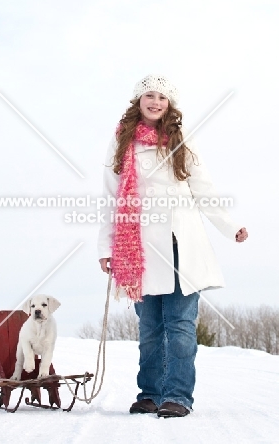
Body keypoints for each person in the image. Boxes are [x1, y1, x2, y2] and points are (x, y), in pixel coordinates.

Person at [98, 74, 248, 418]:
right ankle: (149, 393)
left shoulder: (181, 140)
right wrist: (105, 248)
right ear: (138, 101)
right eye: (149, 95)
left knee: (179, 326)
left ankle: (178, 396)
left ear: (170, 104)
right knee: (150, 329)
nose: (155, 101)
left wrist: (231, 226)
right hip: (139, 249)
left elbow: (204, 189)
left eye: (162, 97)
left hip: (181, 244)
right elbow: (110, 196)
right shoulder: (122, 142)